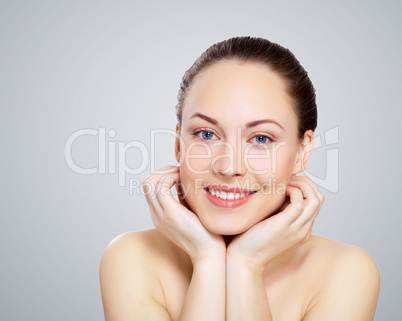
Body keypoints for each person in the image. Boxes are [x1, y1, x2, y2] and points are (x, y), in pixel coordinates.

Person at [99, 36, 380, 321]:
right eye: (206, 134)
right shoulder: (131, 257)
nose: (228, 166)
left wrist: (246, 264)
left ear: (301, 152)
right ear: (178, 145)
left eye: (260, 138)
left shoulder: (346, 270)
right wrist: (207, 260)